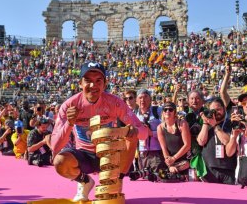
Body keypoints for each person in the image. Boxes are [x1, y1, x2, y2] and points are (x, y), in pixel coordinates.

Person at [50, 62, 148, 202]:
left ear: (105, 84)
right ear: (80, 83)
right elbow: (55, 146)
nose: (92, 85)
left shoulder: (114, 103)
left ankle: (116, 180)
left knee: (131, 135)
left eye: (98, 81)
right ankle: (84, 182)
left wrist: (134, 130)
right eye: (88, 81)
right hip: (84, 155)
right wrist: (69, 123)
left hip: (110, 155)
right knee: (60, 162)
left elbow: (144, 133)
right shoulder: (69, 105)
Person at [197, 98, 237, 184]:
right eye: (213, 110)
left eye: (218, 109)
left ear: (224, 109)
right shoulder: (206, 124)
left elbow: (227, 142)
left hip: (227, 170)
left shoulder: (230, 123)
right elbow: (201, 142)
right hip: (209, 170)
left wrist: (215, 125)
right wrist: (205, 122)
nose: (216, 112)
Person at [135, 88, 165, 173]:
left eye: (145, 97)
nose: (142, 100)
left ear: (150, 99)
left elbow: (166, 129)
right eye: (140, 98)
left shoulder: (158, 111)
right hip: (142, 153)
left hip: (156, 151)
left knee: (157, 177)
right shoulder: (135, 114)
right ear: (136, 101)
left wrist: (152, 133)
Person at [157, 102, 191, 176]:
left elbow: (187, 145)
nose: (167, 111)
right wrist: (170, 165)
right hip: (170, 163)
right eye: (165, 110)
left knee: (186, 164)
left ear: (175, 112)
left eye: (170, 109)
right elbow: (164, 148)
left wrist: (174, 158)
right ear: (162, 112)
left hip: (183, 162)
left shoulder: (182, 124)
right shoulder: (160, 128)